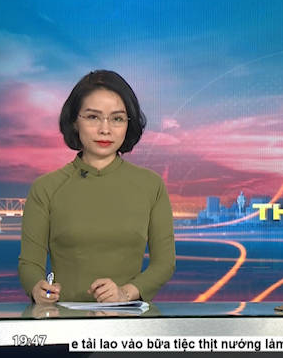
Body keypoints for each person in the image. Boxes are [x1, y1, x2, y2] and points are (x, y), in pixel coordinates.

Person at [18, 70, 176, 304]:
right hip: (64, 319)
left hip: (127, 319)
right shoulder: (46, 188)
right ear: (74, 121)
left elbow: (164, 263)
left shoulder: (151, 185)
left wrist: (125, 293)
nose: (105, 129)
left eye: (117, 119)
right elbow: (29, 264)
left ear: (128, 123)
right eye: (93, 117)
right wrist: (37, 288)